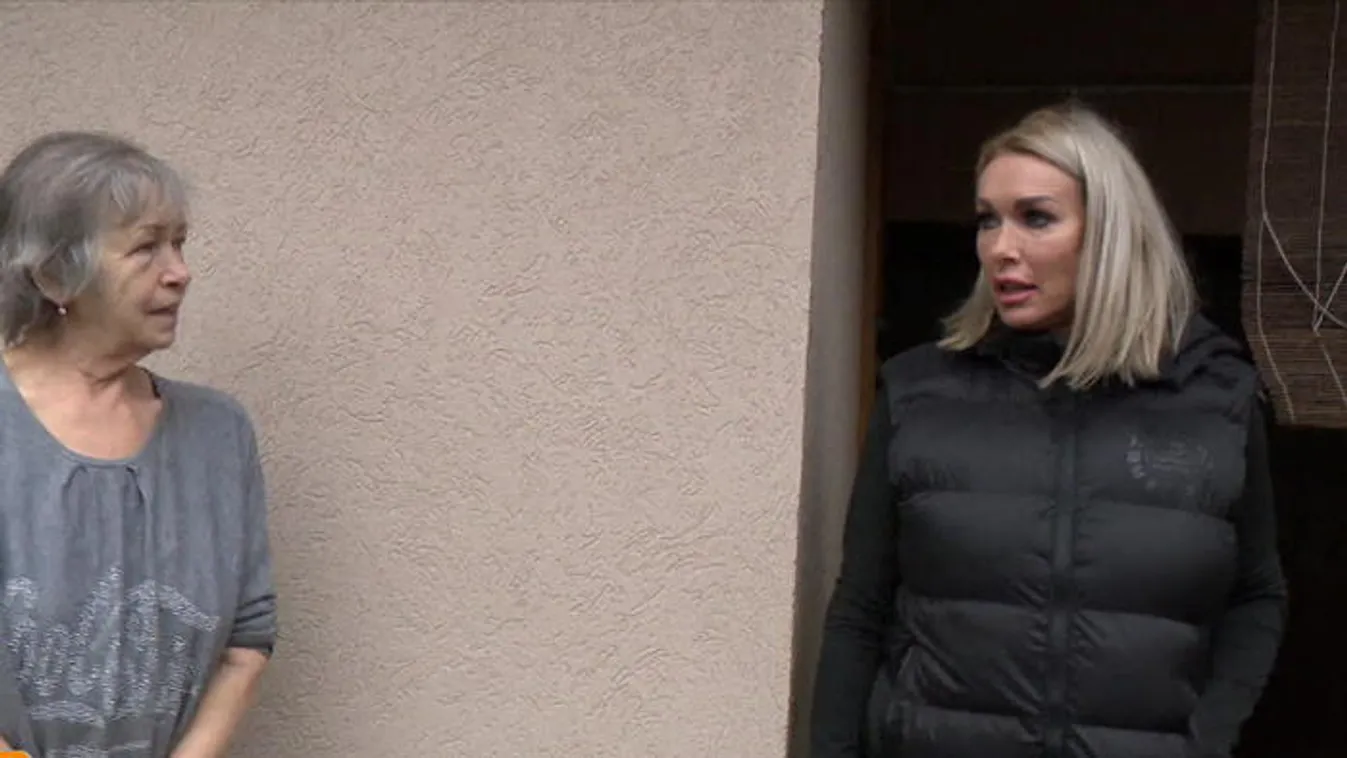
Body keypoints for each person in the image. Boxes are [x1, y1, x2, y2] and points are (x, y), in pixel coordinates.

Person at [810, 103, 1287, 758]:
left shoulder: (1217, 398)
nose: (1000, 248)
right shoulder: (919, 395)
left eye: (1035, 218)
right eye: (988, 220)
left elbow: (1257, 597)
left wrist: (1206, 740)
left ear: (1110, 232)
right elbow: (859, 610)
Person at [0, 131, 278, 757]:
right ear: (54, 274)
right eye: (147, 247)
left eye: (179, 243)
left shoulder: (218, 434)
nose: (180, 273)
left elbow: (247, 638)